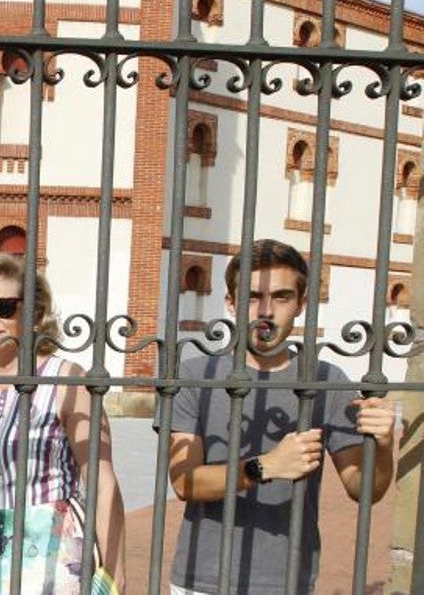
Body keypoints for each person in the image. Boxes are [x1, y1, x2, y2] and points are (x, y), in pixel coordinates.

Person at [160, 239, 396, 594]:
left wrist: (382, 447)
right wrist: (265, 466)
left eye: (282, 297)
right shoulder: (197, 375)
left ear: (301, 304)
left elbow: (364, 491)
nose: (265, 311)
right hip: (202, 580)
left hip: (287, 581)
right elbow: (184, 482)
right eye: (252, 297)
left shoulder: (327, 380)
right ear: (230, 302)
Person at [0, 254, 126, 594]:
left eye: (4, 307)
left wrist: (114, 569)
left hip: (47, 555)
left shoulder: (63, 379)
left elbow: (101, 480)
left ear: (33, 315)